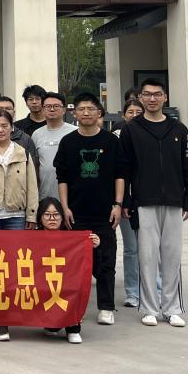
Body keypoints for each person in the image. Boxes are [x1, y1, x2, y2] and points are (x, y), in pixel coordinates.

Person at [120, 77, 188, 328]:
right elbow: (124, 169)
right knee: (147, 256)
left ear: (165, 98)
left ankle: (172, 308)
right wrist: (126, 200)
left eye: (157, 94)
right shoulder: (132, 129)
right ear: (140, 98)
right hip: (144, 201)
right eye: (147, 94)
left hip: (174, 201)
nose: (152, 99)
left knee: (172, 256)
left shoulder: (178, 129)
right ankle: (149, 308)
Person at [56, 91, 125, 326]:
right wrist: (65, 207)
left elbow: (120, 174)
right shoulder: (68, 142)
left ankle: (106, 306)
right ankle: (76, 306)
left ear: (99, 113)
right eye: (81, 109)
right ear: (74, 114)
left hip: (105, 212)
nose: (86, 113)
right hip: (76, 212)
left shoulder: (111, 141)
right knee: (75, 263)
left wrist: (118, 204)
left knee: (105, 261)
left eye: (91, 109)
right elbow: (62, 177)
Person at [36, 197, 101, 344]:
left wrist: (94, 247)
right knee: (51, 328)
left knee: (73, 289)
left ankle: (73, 328)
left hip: (65, 281)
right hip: (42, 281)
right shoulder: (32, 237)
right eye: (47, 215)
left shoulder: (73, 237)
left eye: (56, 215)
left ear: (62, 216)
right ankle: (51, 324)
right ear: (40, 218)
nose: (52, 219)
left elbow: (90, 265)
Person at [115, 97, 146, 307]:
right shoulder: (117, 137)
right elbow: (118, 174)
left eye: (138, 112)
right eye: (130, 112)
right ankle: (133, 292)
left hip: (148, 200)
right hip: (125, 202)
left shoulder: (151, 135)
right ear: (123, 115)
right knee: (131, 248)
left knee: (151, 248)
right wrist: (121, 202)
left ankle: (153, 290)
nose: (134, 116)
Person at [32, 92, 77, 200]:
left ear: (64, 110)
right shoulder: (36, 134)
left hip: (72, 195)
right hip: (45, 195)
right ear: (43, 110)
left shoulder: (75, 132)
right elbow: (35, 166)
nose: (52, 109)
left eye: (56, 106)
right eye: (48, 106)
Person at [0, 97, 40, 167]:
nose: (4, 112)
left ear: (14, 113)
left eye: (8, 108)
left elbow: (32, 166)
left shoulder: (24, 139)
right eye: (0, 109)